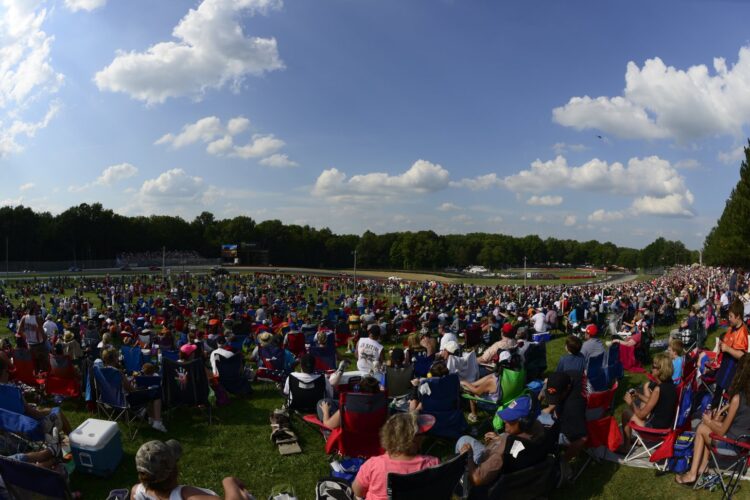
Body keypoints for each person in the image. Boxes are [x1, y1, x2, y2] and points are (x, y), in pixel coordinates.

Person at [676, 354, 750, 485]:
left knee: (702, 428)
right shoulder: (745, 397)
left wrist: (708, 421)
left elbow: (721, 431)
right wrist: (715, 418)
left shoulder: (738, 398)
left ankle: (692, 474)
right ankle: (703, 467)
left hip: (733, 446)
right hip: (744, 443)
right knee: (708, 426)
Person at [456, 395, 549, 490]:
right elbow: (517, 448)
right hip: (519, 472)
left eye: (510, 419)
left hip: (488, 472)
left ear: (524, 423)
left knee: (463, 440)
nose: (505, 421)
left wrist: (469, 455)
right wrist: (499, 439)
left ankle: (462, 481)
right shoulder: (539, 428)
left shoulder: (502, 452)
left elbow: (477, 479)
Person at [352, 412, 438, 500]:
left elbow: (358, 491)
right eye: (422, 434)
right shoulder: (432, 464)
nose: (424, 437)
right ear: (415, 440)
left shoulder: (374, 464)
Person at [131, 439, 254, 500]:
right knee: (243, 494)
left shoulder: (137, 493)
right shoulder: (186, 495)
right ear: (174, 471)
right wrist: (229, 481)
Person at [620, 353, 677, 451]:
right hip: (666, 426)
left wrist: (631, 402)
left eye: (654, 366)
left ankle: (626, 447)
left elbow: (641, 415)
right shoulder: (671, 385)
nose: (652, 368)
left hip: (654, 431)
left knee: (626, 413)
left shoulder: (658, 389)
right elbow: (657, 402)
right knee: (642, 404)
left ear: (660, 370)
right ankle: (636, 441)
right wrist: (638, 395)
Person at [101, 349, 167, 433]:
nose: (118, 358)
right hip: (125, 401)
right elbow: (130, 389)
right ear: (114, 358)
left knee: (149, 393)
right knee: (156, 393)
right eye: (117, 356)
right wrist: (136, 387)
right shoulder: (117, 372)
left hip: (110, 400)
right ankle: (157, 422)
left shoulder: (102, 371)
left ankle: (151, 419)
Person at [18, 305, 49, 372]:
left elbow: (19, 331)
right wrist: (45, 339)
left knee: (34, 363)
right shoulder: (37, 318)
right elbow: (42, 332)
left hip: (30, 344)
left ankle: (36, 375)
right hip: (39, 344)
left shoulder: (24, 318)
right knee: (44, 363)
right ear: (34, 310)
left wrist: (26, 338)